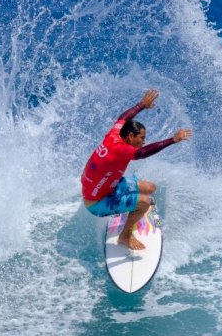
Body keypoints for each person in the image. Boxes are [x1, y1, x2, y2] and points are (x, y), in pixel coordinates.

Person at [81, 90, 193, 251]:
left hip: (105, 188)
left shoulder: (115, 134)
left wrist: (141, 105)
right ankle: (124, 236)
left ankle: (127, 207)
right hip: (96, 203)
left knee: (150, 188)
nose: (143, 141)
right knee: (145, 202)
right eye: (141, 138)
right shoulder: (121, 149)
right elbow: (142, 153)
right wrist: (173, 140)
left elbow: (123, 118)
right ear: (130, 137)